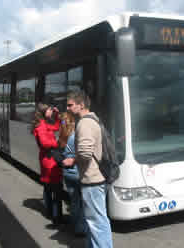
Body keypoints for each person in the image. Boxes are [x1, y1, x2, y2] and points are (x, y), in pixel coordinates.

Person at [63, 90, 113, 248]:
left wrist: (73, 159)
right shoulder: (94, 119)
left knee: (96, 222)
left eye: (70, 105)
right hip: (99, 177)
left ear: (81, 105)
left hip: (92, 179)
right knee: (98, 219)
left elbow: (85, 153)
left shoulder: (84, 123)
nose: (68, 108)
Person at [32, 103, 63, 225]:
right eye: (50, 110)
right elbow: (45, 143)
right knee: (56, 189)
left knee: (49, 188)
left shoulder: (43, 123)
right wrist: (58, 144)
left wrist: (57, 115)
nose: (51, 111)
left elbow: (56, 126)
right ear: (44, 111)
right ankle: (57, 217)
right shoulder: (41, 126)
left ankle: (51, 213)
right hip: (49, 160)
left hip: (47, 159)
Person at [58, 112, 87, 235]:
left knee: (74, 201)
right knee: (82, 202)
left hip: (67, 173)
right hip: (77, 173)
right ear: (73, 123)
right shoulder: (75, 137)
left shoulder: (61, 138)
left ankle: (74, 225)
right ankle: (80, 229)